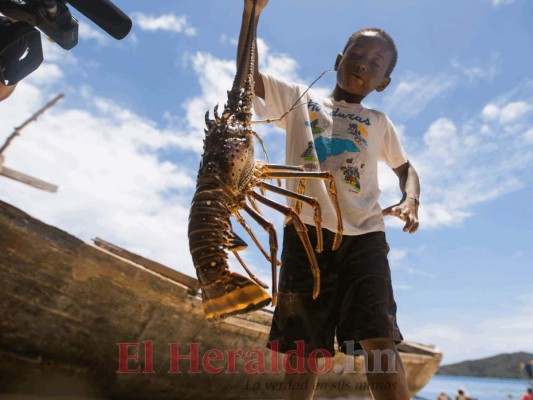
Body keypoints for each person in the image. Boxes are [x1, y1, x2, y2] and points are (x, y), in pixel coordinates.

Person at [237, 1, 420, 399]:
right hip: (305, 232)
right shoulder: (299, 100)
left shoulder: (378, 122)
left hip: (365, 236)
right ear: (339, 58)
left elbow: (406, 169)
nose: (362, 63)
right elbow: (247, 79)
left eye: (375, 62)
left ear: (383, 82)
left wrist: (411, 200)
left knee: (379, 340)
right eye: (356, 54)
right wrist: (252, 15)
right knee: (302, 347)